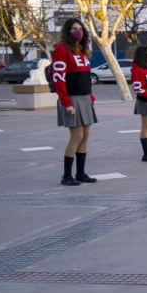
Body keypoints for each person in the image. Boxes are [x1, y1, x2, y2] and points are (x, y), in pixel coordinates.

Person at [52, 17, 97, 186]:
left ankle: (80, 173)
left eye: (80, 28)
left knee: (85, 135)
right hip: (72, 99)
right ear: (67, 31)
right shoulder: (61, 50)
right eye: (73, 29)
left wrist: (91, 98)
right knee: (76, 136)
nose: (77, 31)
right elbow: (58, 78)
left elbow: (85, 77)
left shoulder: (81, 49)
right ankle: (66, 175)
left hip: (85, 98)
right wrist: (66, 103)